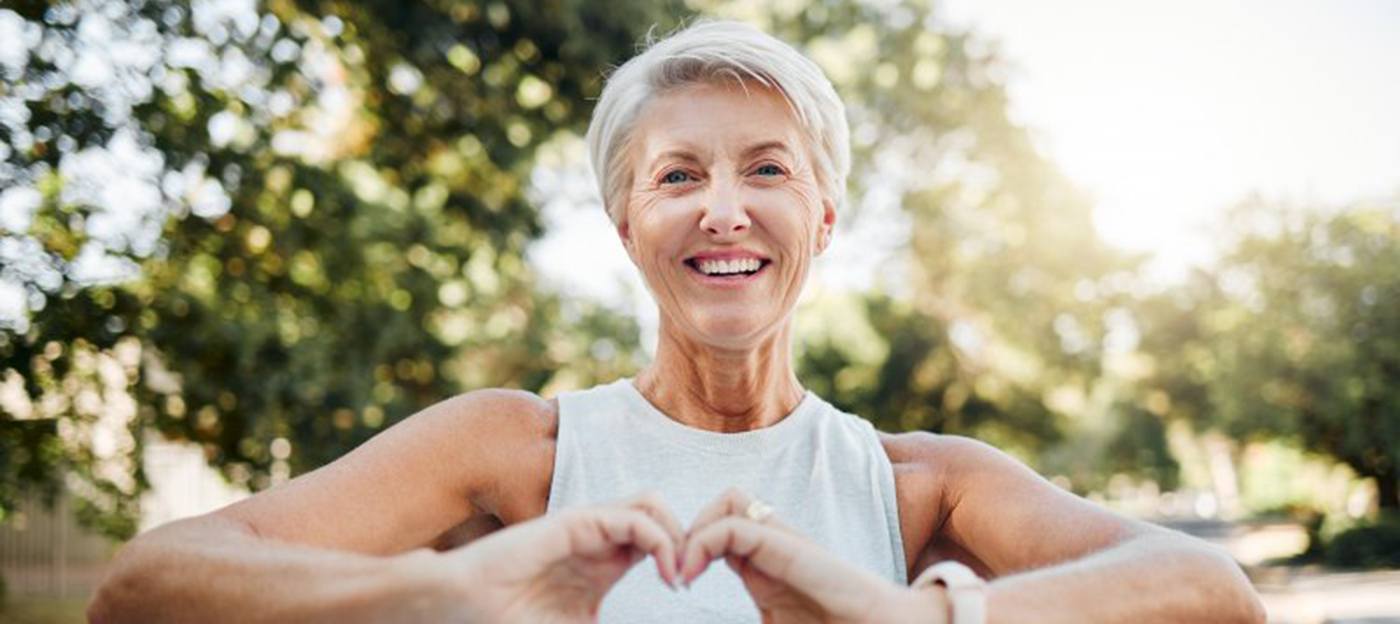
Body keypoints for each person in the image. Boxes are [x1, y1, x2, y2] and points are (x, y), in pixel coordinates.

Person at [88, 19, 1265, 623]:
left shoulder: (916, 484)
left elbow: (1208, 596)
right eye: (674, 176)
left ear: (821, 213)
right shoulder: (514, 450)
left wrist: (914, 619)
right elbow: (143, 590)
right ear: (624, 225)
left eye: (764, 168)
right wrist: (446, 599)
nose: (722, 209)